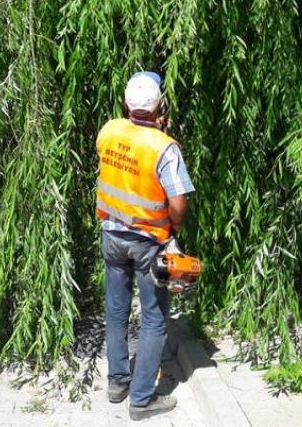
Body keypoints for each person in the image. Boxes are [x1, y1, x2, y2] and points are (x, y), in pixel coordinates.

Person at [96, 71, 194, 421]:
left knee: (116, 310)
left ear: (125, 104)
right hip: (150, 241)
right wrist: (172, 229)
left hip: (112, 235)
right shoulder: (163, 148)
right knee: (153, 319)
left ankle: (117, 383)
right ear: (160, 106)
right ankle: (141, 399)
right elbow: (178, 201)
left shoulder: (109, 130)